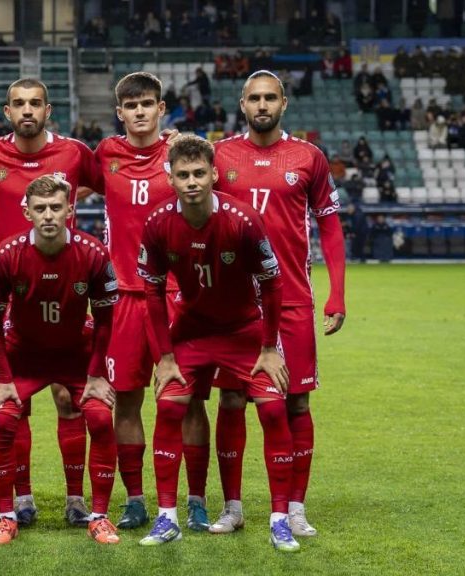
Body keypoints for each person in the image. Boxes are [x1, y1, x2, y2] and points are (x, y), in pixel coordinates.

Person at [136, 134, 298, 553]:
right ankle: (168, 517)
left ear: (213, 175)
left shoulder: (243, 220)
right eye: (183, 174)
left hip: (244, 332)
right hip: (192, 330)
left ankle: (280, 521)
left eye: (199, 173)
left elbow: (272, 283)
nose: (191, 181)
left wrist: (269, 348)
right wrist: (165, 357)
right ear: (170, 178)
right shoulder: (157, 223)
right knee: (169, 404)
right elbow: (152, 291)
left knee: (273, 409)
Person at [210, 71, 346, 537]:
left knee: (296, 403)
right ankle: (232, 507)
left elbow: (329, 225)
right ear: (242, 104)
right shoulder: (220, 156)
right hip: (234, 304)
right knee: (231, 398)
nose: (262, 105)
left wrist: (337, 293)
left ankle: (294, 508)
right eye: (254, 98)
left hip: (291, 300)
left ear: (283, 103)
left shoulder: (309, 157)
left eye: (270, 98)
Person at [0, 78, 104, 527]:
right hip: (11, 292)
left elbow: (109, 184)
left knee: (70, 400)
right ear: (7, 111)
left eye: (35, 104)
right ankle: (23, 498)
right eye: (18, 104)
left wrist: (65, 202)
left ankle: (76, 500)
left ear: (48, 110)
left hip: (66, 290)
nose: (27, 110)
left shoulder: (74, 153)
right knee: (15, 404)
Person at [93, 71, 213, 532]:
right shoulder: (106, 154)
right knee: (126, 401)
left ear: (161, 109)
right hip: (123, 297)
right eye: (131, 105)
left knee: (188, 401)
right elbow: (57, 180)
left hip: (178, 296)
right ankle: (135, 500)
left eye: (147, 104)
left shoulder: (181, 155)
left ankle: (196, 500)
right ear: (119, 112)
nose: (139, 111)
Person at [0, 175, 119, 545]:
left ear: (69, 210)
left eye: (56, 207)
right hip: (23, 355)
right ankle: (7, 516)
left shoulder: (93, 252)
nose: (48, 215)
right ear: (27, 212)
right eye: (40, 208)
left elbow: (105, 318)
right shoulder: (8, 254)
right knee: (3, 418)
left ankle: (99, 517)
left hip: (75, 354)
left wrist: (97, 374)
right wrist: (4, 378)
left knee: (100, 417)